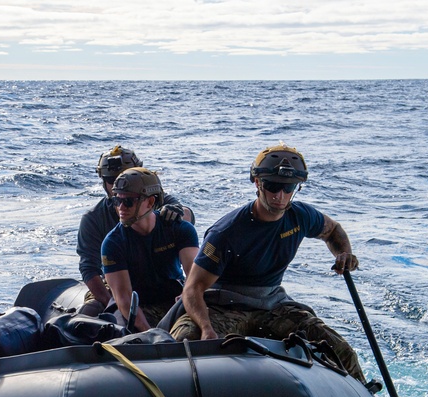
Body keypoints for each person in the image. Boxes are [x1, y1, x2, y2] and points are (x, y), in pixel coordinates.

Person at [168, 143, 368, 384]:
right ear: (257, 183)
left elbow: (332, 230)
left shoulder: (301, 216)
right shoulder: (226, 232)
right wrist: (206, 327)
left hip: (272, 304)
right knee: (185, 341)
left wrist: (343, 253)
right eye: (272, 186)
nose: (279, 196)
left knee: (339, 349)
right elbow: (193, 289)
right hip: (224, 305)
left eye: (288, 188)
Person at [76, 146, 192, 317]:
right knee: (88, 316)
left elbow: (186, 220)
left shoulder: (157, 199)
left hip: (165, 281)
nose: (120, 184)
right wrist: (111, 301)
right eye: (112, 180)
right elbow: (89, 268)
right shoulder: (94, 219)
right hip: (116, 283)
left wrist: (175, 214)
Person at [100, 168, 199, 332]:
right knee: (123, 334)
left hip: (171, 297)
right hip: (135, 304)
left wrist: (188, 297)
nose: (121, 208)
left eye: (129, 202)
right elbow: (124, 299)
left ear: (150, 202)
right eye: (117, 201)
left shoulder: (179, 229)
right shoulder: (113, 243)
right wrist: (151, 335)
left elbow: (195, 276)